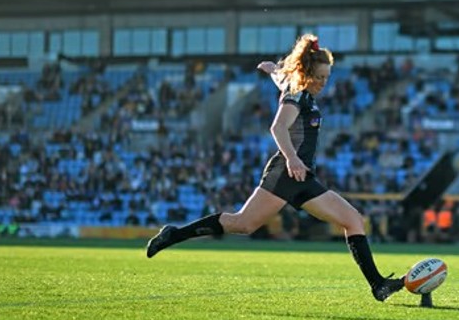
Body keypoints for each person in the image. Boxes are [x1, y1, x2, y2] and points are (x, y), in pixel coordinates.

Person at [146, 34, 407, 302]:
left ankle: (378, 285)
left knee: (353, 220)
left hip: (302, 176)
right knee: (243, 224)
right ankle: (173, 234)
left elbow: (281, 78)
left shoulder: (297, 87)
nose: (324, 83)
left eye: (327, 77)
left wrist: (273, 69)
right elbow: (278, 127)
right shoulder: (296, 95)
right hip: (287, 171)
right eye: (319, 77)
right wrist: (292, 158)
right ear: (307, 73)